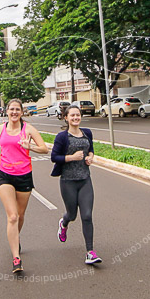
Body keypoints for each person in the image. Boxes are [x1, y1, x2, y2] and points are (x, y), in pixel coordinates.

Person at [0, 99, 49, 273]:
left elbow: (44, 149)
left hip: (24, 176)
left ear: (22, 112)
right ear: (6, 111)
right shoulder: (0, 129)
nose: (14, 112)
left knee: (21, 215)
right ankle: (16, 258)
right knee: (13, 216)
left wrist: (29, 146)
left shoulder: (28, 130)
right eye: (12, 109)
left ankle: (15, 237)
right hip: (5, 175)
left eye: (17, 109)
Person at [51, 105, 101, 265]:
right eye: (72, 115)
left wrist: (90, 157)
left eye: (77, 115)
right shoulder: (62, 137)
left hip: (85, 179)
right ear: (66, 118)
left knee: (87, 216)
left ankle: (90, 252)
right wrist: (71, 157)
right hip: (68, 181)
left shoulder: (87, 133)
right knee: (72, 215)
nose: (75, 118)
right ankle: (63, 223)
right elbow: (54, 157)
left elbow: (91, 149)